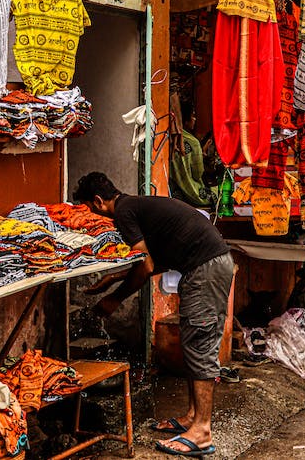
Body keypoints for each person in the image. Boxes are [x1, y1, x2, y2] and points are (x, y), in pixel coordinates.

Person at [73, 173, 234, 457]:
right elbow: (154, 261)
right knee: (192, 344)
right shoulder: (134, 206)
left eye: (89, 208)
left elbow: (145, 268)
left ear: (97, 201)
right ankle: (192, 417)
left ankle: (202, 432)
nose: (94, 216)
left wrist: (115, 299)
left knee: (200, 346)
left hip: (205, 270)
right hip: (206, 266)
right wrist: (114, 277)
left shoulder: (123, 214)